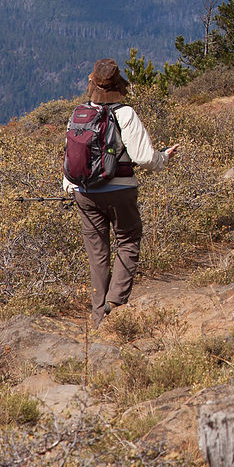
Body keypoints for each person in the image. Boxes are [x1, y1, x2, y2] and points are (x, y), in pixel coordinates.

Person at [63, 58, 179, 326]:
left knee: (97, 254)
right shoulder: (125, 113)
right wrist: (164, 157)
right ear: (118, 86)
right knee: (128, 239)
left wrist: (70, 186)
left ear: (93, 84)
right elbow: (144, 158)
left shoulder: (78, 114)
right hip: (120, 190)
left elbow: (71, 156)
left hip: (84, 191)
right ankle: (116, 303)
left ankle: (97, 319)